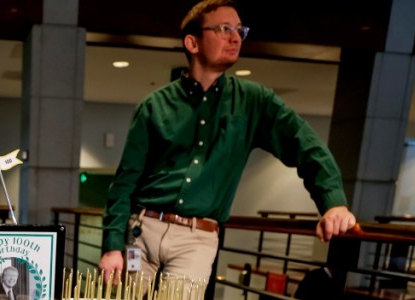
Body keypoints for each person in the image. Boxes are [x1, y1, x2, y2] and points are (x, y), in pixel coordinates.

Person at [99, 0, 357, 283]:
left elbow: (305, 144)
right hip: (142, 232)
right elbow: (125, 182)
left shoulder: (254, 101)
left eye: (239, 30)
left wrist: (333, 203)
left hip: (197, 241)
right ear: (192, 43)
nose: (235, 37)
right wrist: (112, 246)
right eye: (223, 29)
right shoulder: (155, 105)